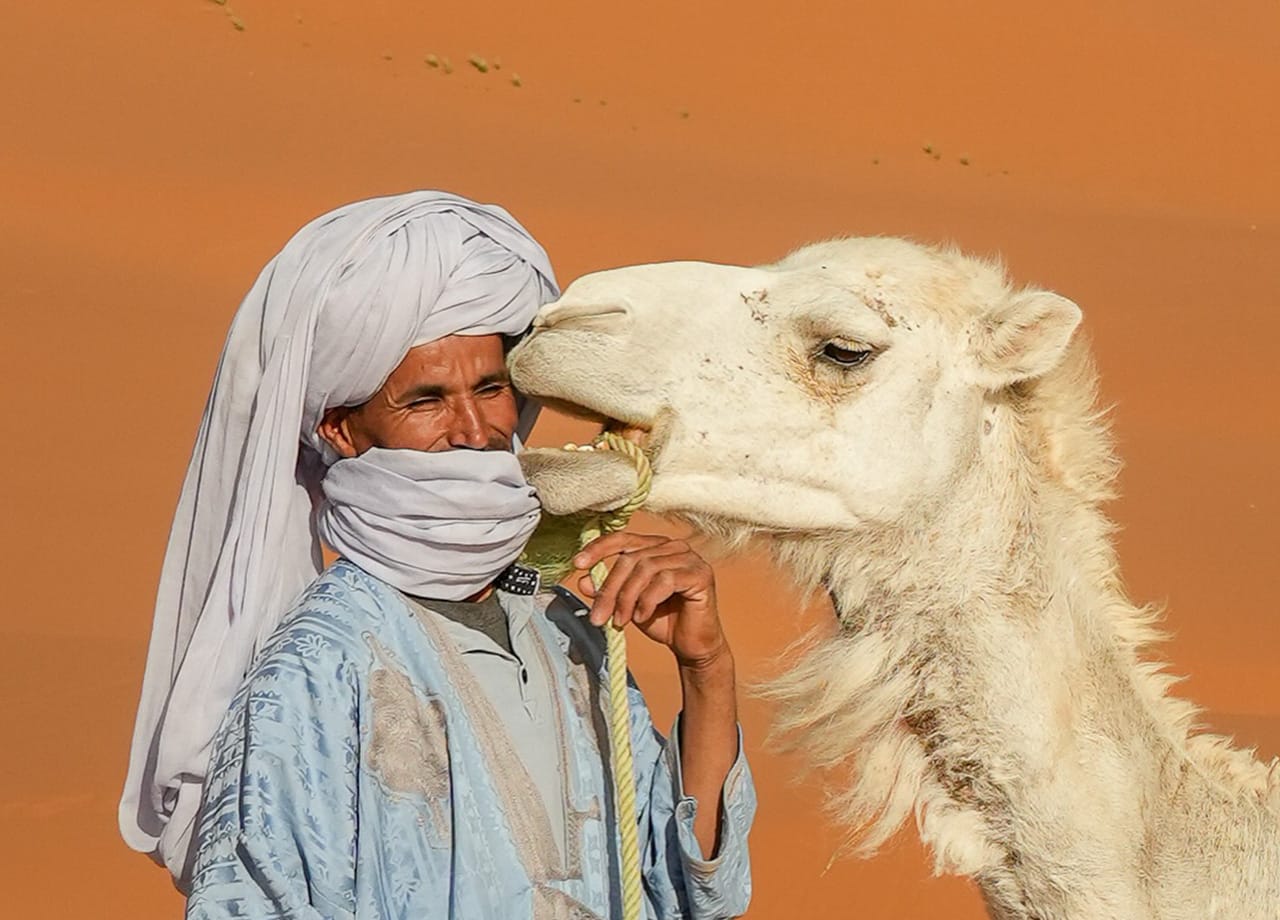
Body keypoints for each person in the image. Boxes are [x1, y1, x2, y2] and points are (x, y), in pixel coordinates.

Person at [119, 191, 755, 919]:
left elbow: (690, 891)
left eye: (492, 389)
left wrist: (706, 671)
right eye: (426, 400)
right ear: (342, 429)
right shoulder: (320, 666)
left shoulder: (564, 628)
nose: (475, 428)